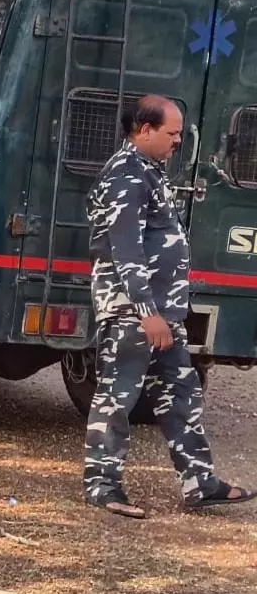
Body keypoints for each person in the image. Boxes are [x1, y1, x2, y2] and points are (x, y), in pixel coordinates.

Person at [83, 94, 254, 518]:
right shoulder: (126, 175)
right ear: (144, 130)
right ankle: (102, 485)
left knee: (181, 394)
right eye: (172, 133)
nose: (179, 141)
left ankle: (200, 482)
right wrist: (146, 312)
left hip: (163, 313)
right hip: (134, 312)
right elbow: (126, 250)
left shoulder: (149, 172)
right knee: (117, 396)